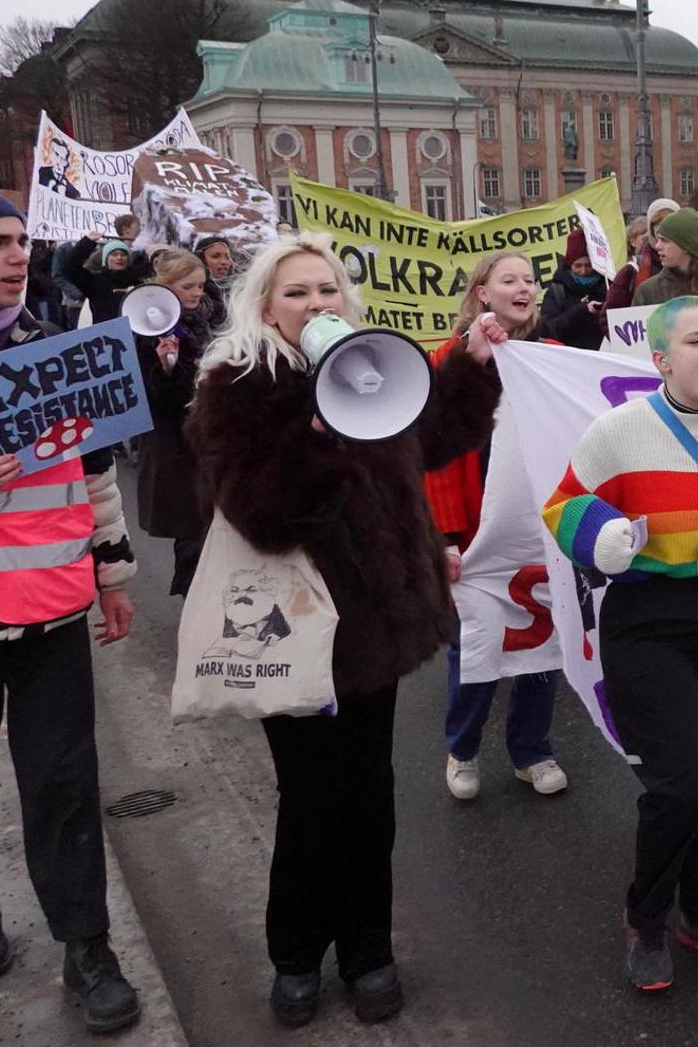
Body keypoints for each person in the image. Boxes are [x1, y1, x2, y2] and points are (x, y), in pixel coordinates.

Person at [186, 234, 505, 1027]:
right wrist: (320, 432)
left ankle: (369, 951)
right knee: (309, 797)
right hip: (291, 632)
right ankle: (296, 954)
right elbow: (261, 514)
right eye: (297, 293)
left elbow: (433, 439)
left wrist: (467, 368)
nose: (317, 304)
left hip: (377, 624)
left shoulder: (370, 364)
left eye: (327, 290)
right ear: (266, 307)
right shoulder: (237, 388)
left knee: (370, 791)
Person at [0, 185, 142, 1034]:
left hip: (47, 612)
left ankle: (88, 949)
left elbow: (92, 473)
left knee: (64, 783)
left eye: (21, 243)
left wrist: (114, 577)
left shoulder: (52, 349)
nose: (19, 258)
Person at [542, 296, 698, 991]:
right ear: (661, 361)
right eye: (697, 340)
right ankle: (646, 915)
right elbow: (562, 505)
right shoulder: (620, 430)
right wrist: (601, 536)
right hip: (650, 618)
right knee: (685, 779)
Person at [426, 251, 567, 801]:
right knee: (475, 648)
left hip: (536, 530)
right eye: (510, 279)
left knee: (542, 642)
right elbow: (432, 456)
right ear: (482, 293)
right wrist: (442, 536)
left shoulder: (549, 357)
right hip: (473, 534)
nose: (524, 287)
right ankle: (462, 749)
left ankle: (531, 751)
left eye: (530, 280)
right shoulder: (447, 359)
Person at [134, 249, 223, 597]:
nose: (197, 292)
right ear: (166, 287)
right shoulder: (148, 329)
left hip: (209, 434)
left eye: (201, 285)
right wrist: (167, 370)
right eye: (188, 286)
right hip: (175, 442)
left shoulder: (207, 318)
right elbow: (159, 399)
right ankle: (193, 601)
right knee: (191, 528)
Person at [632, 209, 698, 305]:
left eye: (665, 240)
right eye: (658, 240)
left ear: (685, 246)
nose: (658, 246)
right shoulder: (648, 292)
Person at [54, 227, 150, 323]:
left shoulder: (138, 280)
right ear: (106, 260)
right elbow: (70, 267)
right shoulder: (95, 282)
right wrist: (87, 243)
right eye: (114, 254)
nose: (119, 258)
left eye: (123, 254)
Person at [605, 198, 678, 312]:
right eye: (657, 223)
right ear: (651, 228)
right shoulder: (631, 270)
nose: (663, 228)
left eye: (669, 222)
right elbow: (609, 316)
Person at [539, 228, 608, 349]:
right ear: (569, 264)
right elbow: (548, 330)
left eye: (588, 265)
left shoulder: (609, 285)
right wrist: (582, 310)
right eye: (578, 266)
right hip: (569, 358)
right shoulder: (557, 290)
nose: (583, 271)